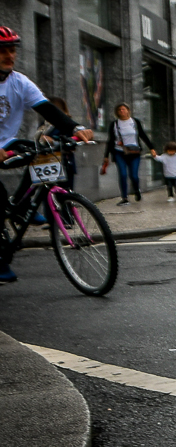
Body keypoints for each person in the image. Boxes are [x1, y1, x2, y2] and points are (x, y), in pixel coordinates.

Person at [0, 26, 93, 282]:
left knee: (39, 153)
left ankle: (20, 205)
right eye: (3, 51)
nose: (9, 55)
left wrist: (76, 128)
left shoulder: (19, 82)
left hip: (7, 143)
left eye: (12, 50)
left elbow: (48, 109)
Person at [101, 103, 156, 205]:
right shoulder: (114, 124)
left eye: (123, 109)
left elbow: (142, 135)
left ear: (128, 110)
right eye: (119, 110)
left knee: (134, 175)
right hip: (119, 152)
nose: (121, 111)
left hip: (134, 152)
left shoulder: (135, 122)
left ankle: (136, 190)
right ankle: (124, 198)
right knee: (123, 174)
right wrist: (106, 156)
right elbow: (110, 140)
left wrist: (151, 148)